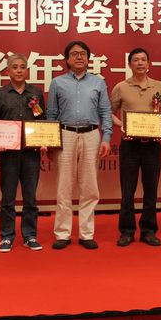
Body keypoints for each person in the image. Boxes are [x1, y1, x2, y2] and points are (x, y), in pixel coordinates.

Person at [46, 41, 112, 250]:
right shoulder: (57, 83)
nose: (79, 57)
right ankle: (62, 233)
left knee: (89, 187)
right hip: (65, 135)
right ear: (67, 59)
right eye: (74, 54)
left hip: (91, 135)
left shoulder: (98, 83)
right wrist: (50, 141)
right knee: (64, 186)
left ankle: (86, 233)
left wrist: (106, 138)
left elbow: (105, 112)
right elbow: (51, 114)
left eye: (83, 54)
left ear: (88, 58)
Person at [110, 47, 161, 247]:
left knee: (151, 189)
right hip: (130, 145)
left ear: (149, 64)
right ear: (129, 64)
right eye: (135, 60)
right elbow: (108, 112)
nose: (140, 63)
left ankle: (148, 230)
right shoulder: (121, 87)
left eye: (143, 59)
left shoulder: (158, 86)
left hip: (152, 145)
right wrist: (123, 125)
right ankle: (127, 231)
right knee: (128, 190)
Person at [0, 53, 45, 253]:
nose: (19, 70)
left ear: (27, 71)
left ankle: (30, 235)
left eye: (22, 67)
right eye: (15, 67)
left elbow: (42, 120)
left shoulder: (36, 93)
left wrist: (44, 140)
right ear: (8, 71)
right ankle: (6, 236)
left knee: (30, 197)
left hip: (31, 152)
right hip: (8, 153)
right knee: (8, 197)